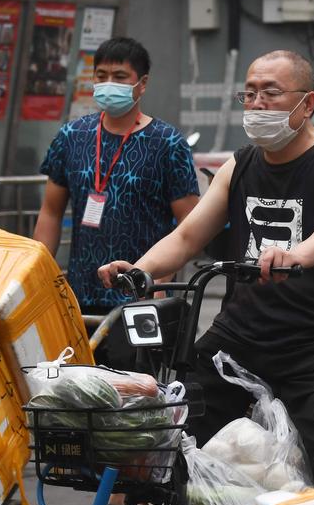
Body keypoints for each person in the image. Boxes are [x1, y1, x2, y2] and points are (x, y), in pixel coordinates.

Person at [100, 50, 314, 481]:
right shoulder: (240, 164)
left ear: (307, 103)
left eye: (271, 93)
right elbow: (189, 235)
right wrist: (141, 269)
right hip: (240, 333)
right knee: (179, 434)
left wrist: (295, 254)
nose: (258, 103)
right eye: (249, 94)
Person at [34, 37, 200, 316]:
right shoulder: (72, 136)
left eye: (120, 76)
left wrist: (160, 280)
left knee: (138, 361)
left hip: (143, 294)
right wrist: (35, 275)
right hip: (79, 295)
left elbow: (190, 223)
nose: (109, 83)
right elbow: (50, 212)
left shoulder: (167, 142)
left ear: (142, 84)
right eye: (101, 76)